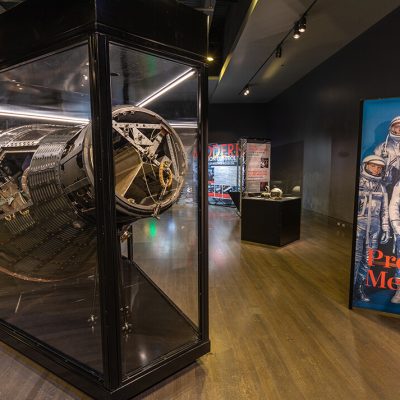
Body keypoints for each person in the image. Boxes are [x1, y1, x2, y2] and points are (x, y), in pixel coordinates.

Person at [354, 155, 389, 302]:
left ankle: (359, 287)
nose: (376, 169)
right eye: (373, 166)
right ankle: (352, 286)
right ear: (365, 165)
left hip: (374, 226)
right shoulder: (359, 183)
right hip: (359, 223)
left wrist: (385, 227)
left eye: (379, 167)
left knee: (369, 258)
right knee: (356, 258)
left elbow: (385, 210)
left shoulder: (381, 187)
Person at [374, 116, 400, 187]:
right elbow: (374, 165)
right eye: (397, 127)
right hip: (385, 183)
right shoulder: (382, 147)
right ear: (392, 129)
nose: (399, 129)